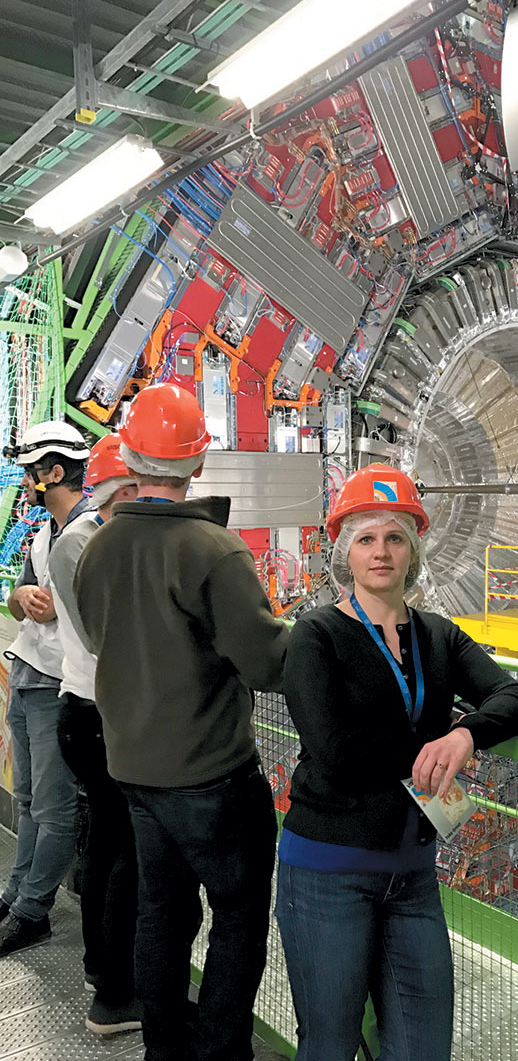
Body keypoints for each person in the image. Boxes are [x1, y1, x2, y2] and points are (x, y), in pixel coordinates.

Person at [276, 462, 518, 1061]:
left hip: (413, 873)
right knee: (331, 1044)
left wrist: (464, 736)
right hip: (328, 870)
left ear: (414, 548)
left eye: (395, 537)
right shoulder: (315, 636)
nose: (381, 552)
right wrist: (431, 742)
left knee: (423, 1047)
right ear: (346, 551)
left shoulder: (438, 636)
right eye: (366, 538)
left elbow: (515, 699)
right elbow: (335, 750)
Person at [74, 383, 289, 1061]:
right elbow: (263, 663)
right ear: (198, 464)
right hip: (213, 777)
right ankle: (222, 1050)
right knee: (238, 916)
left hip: (135, 774)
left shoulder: (98, 549)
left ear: (130, 458)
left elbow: (94, 633)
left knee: (161, 916)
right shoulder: (213, 550)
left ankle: (164, 1048)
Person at [50, 434, 141, 1035]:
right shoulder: (89, 544)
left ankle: (99, 971)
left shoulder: (79, 540)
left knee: (106, 847)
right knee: (120, 855)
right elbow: (110, 638)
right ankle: (113, 994)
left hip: (86, 713)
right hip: (99, 716)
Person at [0, 421, 90, 955]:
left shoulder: (89, 535)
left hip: (62, 686)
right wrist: (24, 598)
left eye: (33, 469)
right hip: (28, 675)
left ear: (54, 472)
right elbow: (15, 599)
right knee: (30, 799)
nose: (27, 478)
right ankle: (17, 896)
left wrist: (63, 605)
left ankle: (32, 910)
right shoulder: (43, 534)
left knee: (54, 808)